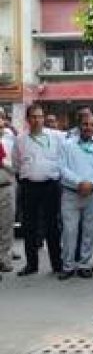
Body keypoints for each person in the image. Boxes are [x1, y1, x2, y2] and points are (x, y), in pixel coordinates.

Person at [58, 113, 93, 280]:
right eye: (85, 124)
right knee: (69, 231)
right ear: (79, 125)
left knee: (90, 230)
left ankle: (84, 264)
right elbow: (61, 167)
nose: (88, 127)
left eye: (92, 124)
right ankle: (67, 266)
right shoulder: (66, 144)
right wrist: (79, 183)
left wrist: (92, 183)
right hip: (71, 193)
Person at [13, 104, 64, 276]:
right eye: (33, 117)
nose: (37, 120)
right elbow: (16, 164)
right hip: (29, 187)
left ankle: (57, 264)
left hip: (50, 186)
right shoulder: (20, 139)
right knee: (29, 227)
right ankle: (31, 265)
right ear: (28, 120)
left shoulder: (56, 136)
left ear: (44, 118)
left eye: (40, 116)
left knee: (52, 226)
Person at [0, 109, 15, 275]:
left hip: (5, 185)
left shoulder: (10, 138)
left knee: (6, 224)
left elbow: (15, 163)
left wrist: (2, 162)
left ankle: (4, 258)